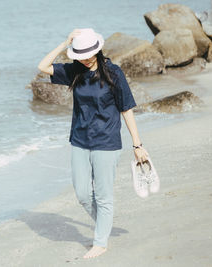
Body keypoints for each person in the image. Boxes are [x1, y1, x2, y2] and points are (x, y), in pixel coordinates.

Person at [37, 28, 150, 258]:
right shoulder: (74, 71)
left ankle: (100, 242)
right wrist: (64, 43)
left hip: (106, 142)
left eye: (89, 54)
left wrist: (137, 146)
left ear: (97, 50)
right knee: (82, 194)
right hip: (79, 140)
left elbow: (126, 109)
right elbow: (42, 66)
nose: (86, 59)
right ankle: (104, 225)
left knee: (103, 195)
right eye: (80, 54)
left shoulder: (113, 73)